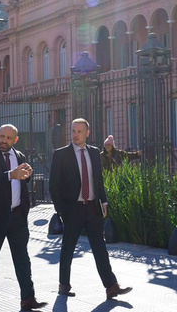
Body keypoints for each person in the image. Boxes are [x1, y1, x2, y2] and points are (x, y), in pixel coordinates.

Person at [49, 118, 133, 299]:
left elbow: (98, 179)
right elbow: (53, 186)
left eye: (79, 131)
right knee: (68, 248)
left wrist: (103, 201)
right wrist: (61, 211)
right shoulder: (61, 154)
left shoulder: (94, 152)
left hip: (93, 208)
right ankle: (64, 285)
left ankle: (111, 286)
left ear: (87, 134)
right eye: (73, 131)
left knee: (100, 248)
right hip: (73, 210)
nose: (75, 135)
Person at [0, 124, 47, 311]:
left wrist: (27, 175)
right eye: (2, 136)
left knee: (22, 257)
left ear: (15, 140)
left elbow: (21, 183)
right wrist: (10, 175)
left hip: (17, 215)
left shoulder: (20, 157)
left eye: (9, 138)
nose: (4, 140)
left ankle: (28, 297)